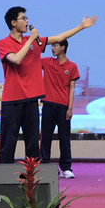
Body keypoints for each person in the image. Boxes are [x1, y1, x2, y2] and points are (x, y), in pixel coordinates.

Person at [0, 7, 96, 163]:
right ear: (13, 22)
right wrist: (30, 40)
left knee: (32, 145)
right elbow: (16, 59)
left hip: (31, 100)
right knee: (8, 143)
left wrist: (81, 27)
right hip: (12, 101)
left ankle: (31, 177)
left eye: (27, 18)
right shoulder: (2, 44)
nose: (27, 21)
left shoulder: (36, 42)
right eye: (23, 18)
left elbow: (59, 37)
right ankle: (3, 176)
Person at [40, 38, 79, 178]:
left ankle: (66, 168)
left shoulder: (72, 66)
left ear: (63, 47)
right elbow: (32, 58)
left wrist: (70, 108)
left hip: (63, 107)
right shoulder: (47, 62)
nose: (52, 48)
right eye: (52, 45)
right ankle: (45, 165)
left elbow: (72, 89)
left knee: (64, 138)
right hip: (48, 105)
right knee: (45, 138)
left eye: (55, 45)